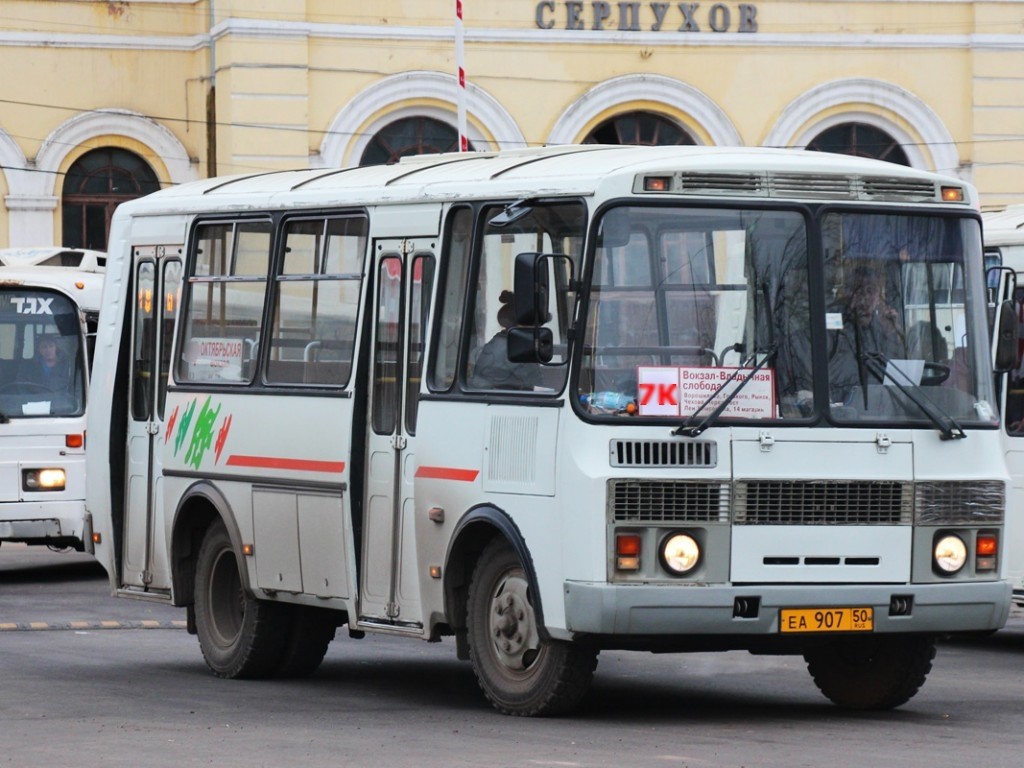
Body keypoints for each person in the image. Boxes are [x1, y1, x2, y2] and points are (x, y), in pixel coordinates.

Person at [468, 290, 541, 390]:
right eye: (535, 325)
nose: (537, 330)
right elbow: (536, 387)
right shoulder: (520, 351)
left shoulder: (494, 343)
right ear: (523, 325)